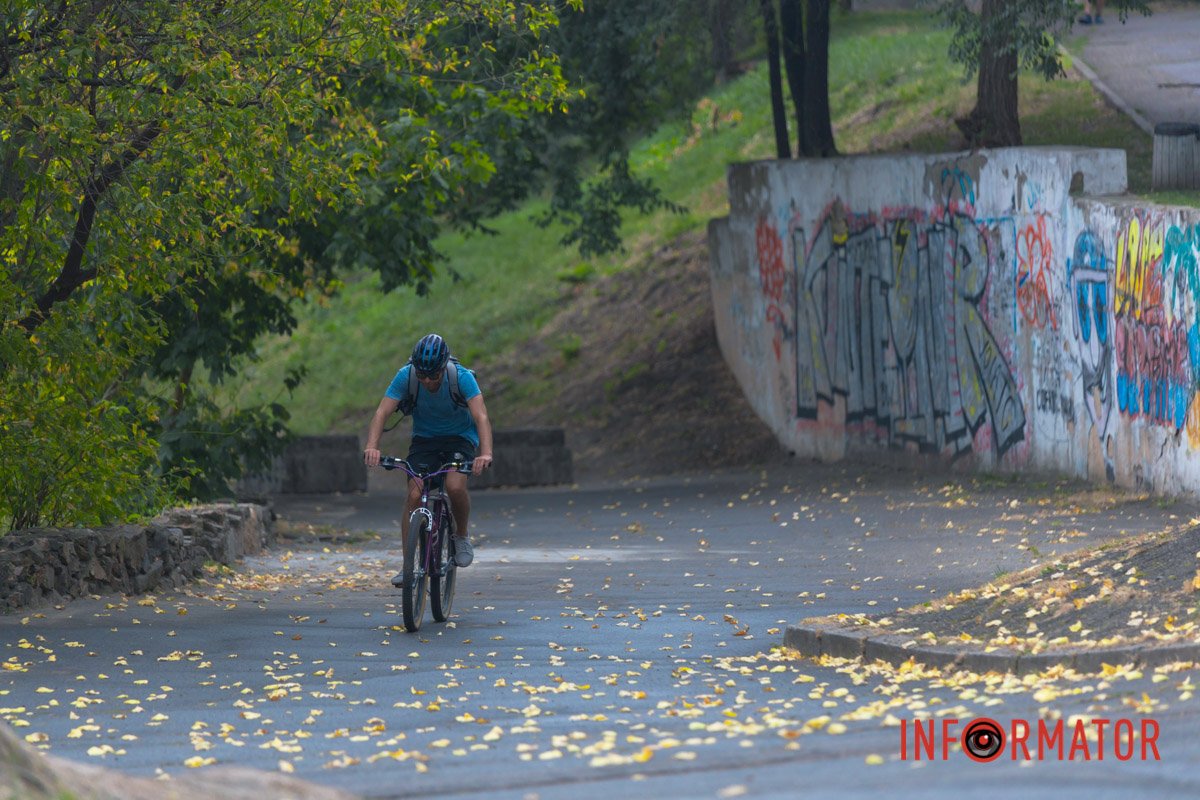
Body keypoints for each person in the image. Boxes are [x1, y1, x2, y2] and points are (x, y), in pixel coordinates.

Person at [363, 333, 494, 585]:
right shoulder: (407, 376)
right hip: (425, 440)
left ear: (444, 367)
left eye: (433, 375)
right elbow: (382, 412)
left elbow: (481, 417)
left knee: (455, 487)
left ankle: (461, 535)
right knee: (414, 494)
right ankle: (408, 566)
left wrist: (485, 453)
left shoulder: (462, 377)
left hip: (460, 438)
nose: (427, 381)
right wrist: (372, 447)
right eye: (422, 375)